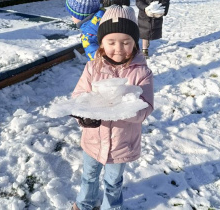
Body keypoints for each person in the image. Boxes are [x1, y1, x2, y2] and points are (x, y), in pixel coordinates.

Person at [70, 5, 154, 210]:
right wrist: (84, 114)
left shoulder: (142, 73)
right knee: (89, 176)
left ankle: (112, 207)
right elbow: (78, 96)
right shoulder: (92, 68)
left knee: (113, 181)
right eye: (111, 42)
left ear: (135, 43)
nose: (118, 48)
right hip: (93, 139)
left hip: (120, 143)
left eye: (126, 42)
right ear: (101, 43)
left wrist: (126, 105)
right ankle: (85, 203)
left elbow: (146, 108)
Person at [65, 0, 130, 61]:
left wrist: (97, 67)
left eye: (72, 15)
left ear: (80, 15)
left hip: (106, 66)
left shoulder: (89, 33)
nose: (71, 18)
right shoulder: (105, 15)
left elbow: (94, 55)